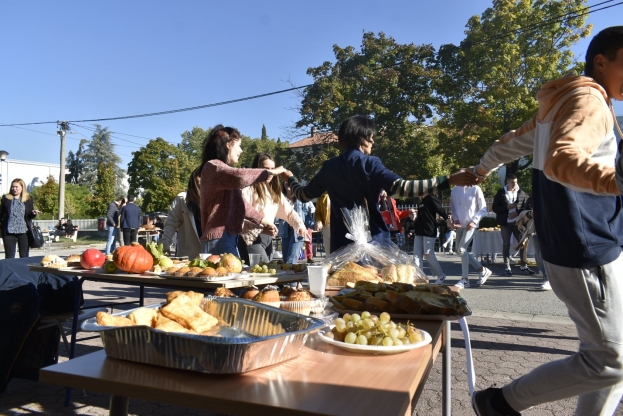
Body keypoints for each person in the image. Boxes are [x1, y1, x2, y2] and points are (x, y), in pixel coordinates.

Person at [471, 26, 623, 416]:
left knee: (610, 359)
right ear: (601, 62)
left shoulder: (558, 103)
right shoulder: (590, 99)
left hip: (575, 245)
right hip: (587, 246)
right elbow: (562, 159)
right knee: (609, 361)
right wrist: (616, 180)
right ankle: (499, 403)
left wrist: (480, 169)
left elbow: (507, 143)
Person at [283, 115, 478, 253]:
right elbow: (404, 188)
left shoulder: (329, 167)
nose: (373, 143)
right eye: (372, 138)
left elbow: (303, 194)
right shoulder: (370, 163)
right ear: (362, 137)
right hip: (373, 242)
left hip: (340, 245)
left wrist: (290, 178)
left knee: (345, 300)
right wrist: (448, 180)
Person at [199, 125, 287, 256]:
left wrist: (262, 221)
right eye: (239, 145)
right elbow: (240, 176)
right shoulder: (214, 167)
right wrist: (272, 172)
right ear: (229, 144)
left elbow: (241, 204)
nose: (241, 150)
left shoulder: (223, 173)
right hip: (218, 240)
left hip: (227, 238)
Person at [241, 153, 306, 264]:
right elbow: (240, 217)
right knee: (263, 275)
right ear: (257, 169)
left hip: (269, 239)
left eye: (272, 169)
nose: (270, 173)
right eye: (266, 169)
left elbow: (289, 212)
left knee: (267, 276)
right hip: (252, 239)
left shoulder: (275, 191)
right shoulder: (247, 189)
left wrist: (300, 226)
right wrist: (262, 228)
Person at [449, 185, 492, 288]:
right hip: (460, 225)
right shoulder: (454, 190)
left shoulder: (476, 188)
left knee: (462, 250)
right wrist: (455, 219)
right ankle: (482, 270)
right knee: (458, 250)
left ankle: (465, 279)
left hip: (471, 225)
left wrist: (474, 221)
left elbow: (483, 208)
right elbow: (453, 207)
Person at [492, 174, 534, 276]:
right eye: (512, 182)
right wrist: (507, 207)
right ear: (507, 182)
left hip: (518, 223)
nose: (514, 184)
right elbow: (495, 208)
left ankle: (524, 266)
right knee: (506, 244)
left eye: (515, 182)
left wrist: (517, 213)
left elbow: (526, 207)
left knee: (522, 243)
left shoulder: (522, 193)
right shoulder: (501, 193)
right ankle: (507, 267)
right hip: (505, 223)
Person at [161, 168, 202, 259]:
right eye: (200, 175)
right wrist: (165, 245)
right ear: (193, 179)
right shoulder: (182, 199)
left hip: (213, 255)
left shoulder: (218, 199)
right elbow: (171, 223)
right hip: (189, 256)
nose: (203, 177)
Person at [413, 193, 449, 284]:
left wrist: (448, 220)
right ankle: (419, 277)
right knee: (416, 256)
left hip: (429, 230)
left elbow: (440, 209)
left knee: (428, 255)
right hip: (419, 231)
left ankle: (441, 275)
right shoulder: (423, 201)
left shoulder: (432, 198)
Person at [0, 178, 40, 258]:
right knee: (9, 256)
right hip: (9, 231)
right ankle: (9, 271)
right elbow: (1, 213)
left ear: (22, 187)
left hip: (24, 231)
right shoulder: (6, 198)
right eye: (12, 187)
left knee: (24, 255)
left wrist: (33, 213)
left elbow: (29, 216)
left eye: (16, 187)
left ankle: (23, 270)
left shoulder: (28, 199)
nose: (14, 189)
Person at [278, 181, 312, 264]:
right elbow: (275, 217)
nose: (288, 183)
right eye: (285, 182)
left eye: (289, 181)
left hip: (297, 233)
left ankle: (291, 276)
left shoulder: (301, 199)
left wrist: (315, 224)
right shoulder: (280, 198)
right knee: (286, 260)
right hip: (285, 232)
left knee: (291, 260)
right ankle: (290, 276)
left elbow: (307, 217)